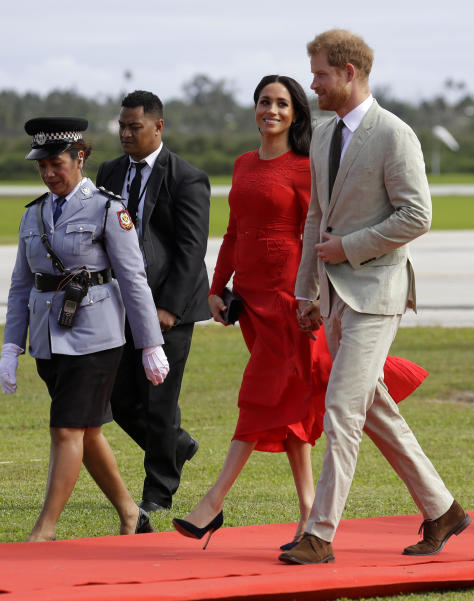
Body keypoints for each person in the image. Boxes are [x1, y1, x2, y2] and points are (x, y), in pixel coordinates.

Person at [171, 74, 429, 550]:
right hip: (250, 301)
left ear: (295, 114)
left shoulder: (305, 164)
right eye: (264, 102)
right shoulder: (244, 164)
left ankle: (213, 501)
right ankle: (310, 512)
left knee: (260, 392)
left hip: (291, 299)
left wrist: (311, 293)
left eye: (282, 103)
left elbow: (317, 230)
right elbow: (233, 231)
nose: (271, 110)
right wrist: (216, 286)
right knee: (288, 398)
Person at [280, 30, 469, 565]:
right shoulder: (320, 134)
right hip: (335, 295)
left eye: (318, 74)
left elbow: (417, 215)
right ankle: (443, 510)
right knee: (373, 407)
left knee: (341, 406)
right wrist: (306, 289)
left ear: (348, 73)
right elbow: (317, 216)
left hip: (377, 290)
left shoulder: (394, 134)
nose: (311, 84)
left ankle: (320, 534)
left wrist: (349, 249)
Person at [0, 117, 170, 541]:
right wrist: (9, 346)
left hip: (95, 338)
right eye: (42, 166)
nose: (49, 173)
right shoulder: (34, 213)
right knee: (87, 430)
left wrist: (150, 343)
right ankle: (132, 514)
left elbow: (133, 280)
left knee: (66, 428)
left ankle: (46, 529)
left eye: (56, 163)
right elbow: (22, 284)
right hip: (48, 339)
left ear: (79, 158)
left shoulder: (108, 209)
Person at [96, 90, 209, 513]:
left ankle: (158, 492)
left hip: (169, 309)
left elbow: (191, 249)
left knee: (160, 401)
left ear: (158, 127)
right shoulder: (109, 171)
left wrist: (169, 309)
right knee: (121, 400)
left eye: (134, 127)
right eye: (122, 127)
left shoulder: (186, 177)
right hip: (123, 303)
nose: (125, 134)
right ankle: (176, 446)